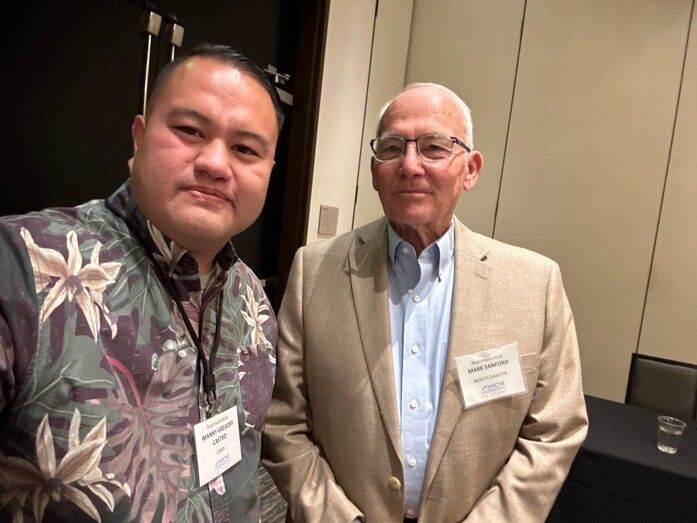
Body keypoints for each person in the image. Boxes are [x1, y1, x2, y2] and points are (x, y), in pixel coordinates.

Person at [262, 83, 588, 522]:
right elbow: (283, 422)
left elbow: (555, 429)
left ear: (470, 170)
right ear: (374, 170)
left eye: (434, 147)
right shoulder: (314, 271)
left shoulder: (535, 285)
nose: (410, 165)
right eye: (392, 148)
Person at [0, 44, 283, 522]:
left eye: (245, 149)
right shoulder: (22, 266)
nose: (216, 163)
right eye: (190, 130)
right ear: (139, 137)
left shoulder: (253, 300)